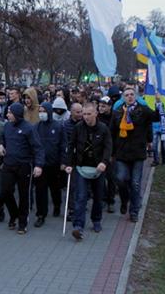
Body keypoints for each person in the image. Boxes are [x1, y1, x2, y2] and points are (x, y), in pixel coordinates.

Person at [110, 88, 160, 222]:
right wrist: (111, 152)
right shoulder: (118, 112)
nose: (130, 97)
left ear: (136, 96)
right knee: (120, 179)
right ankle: (124, 199)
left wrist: (158, 103)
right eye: (127, 95)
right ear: (123, 98)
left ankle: (134, 211)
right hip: (121, 152)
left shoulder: (143, 110)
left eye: (132, 94)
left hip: (137, 152)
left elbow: (156, 117)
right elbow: (112, 132)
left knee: (135, 183)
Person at [66, 103, 112, 240]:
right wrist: (69, 164)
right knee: (80, 197)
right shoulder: (78, 128)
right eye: (84, 114)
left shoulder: (103, 129)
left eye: (88, 114)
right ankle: (78, 226)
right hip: (81, 167)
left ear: (95, 114)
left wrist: (104, 162)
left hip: (98, 167)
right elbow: (71, 146)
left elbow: (108, 147)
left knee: (98, 196)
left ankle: (96, 220)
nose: (85, 117)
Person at [0, 103, 45, 234]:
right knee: (5, 191)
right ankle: (14, 214)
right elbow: (3, 139)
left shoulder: (29, 128)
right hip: (8, 164)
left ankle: (22, 222)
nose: (7, 115)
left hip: (24, 165)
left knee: (24, 195)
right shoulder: (7, 126)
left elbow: (38, 148)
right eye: (7, 112)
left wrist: (38, 165)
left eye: (10, 113)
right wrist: (1, 145)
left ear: (17, 114)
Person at [33, 102, 67, 227]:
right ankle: (41, 214)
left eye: (43, 111)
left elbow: (63, 145)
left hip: (54, 164)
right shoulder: (36, 127)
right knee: (40, 190)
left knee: (55, 188)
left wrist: (63, 161)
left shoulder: (58, 126)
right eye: (40, 111)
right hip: (40, 165)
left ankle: (57, 205)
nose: (41, 113)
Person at [98, 96, 116, 213]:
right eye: (99, 106)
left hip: (111, 151)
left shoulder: (115, 118)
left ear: (110, 106)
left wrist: (113, 153)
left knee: (111, 177)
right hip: (99, 151)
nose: (101, 108)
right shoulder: (97, 117)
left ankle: (111, 200)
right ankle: (103, 198)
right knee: (100, 176)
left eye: (103, 106)